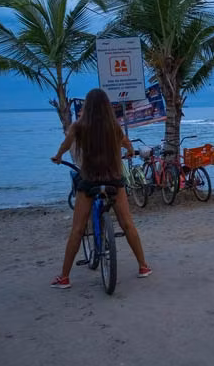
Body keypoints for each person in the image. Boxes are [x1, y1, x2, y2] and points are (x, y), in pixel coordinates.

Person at [50, 88, 151, 288]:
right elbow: (127, 144)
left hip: (89, 182)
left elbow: (65, 144)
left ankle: (64, 277)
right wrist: (130, 152)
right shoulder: (114, 127)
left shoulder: (78, 126)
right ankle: (143, 266)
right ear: (106, 107)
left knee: (78, 229)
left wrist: (58, 156)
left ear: (87, 106)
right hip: (114, 181)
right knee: (127, 224)